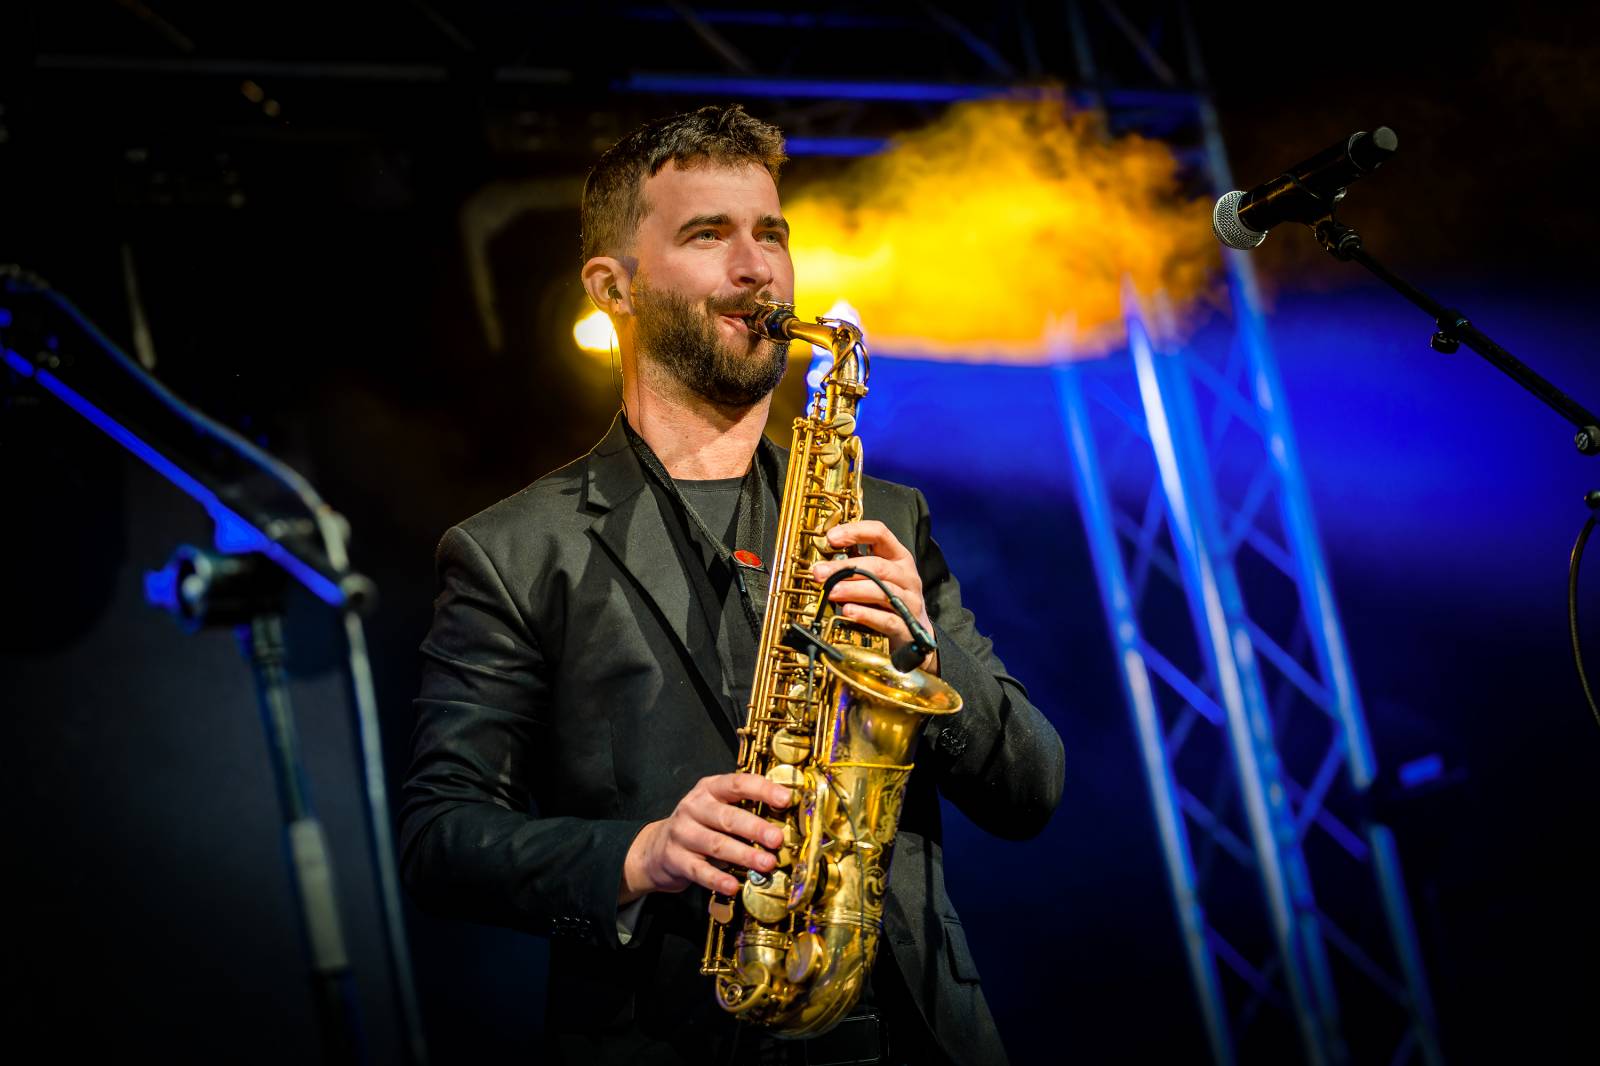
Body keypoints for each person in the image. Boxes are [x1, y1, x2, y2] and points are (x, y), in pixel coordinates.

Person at [398, 104, 1064, 1066]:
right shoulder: (512, 550)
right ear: (613, 287)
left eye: (772, 234)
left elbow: (1031, 791)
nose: (758, 269)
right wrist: (641, 854)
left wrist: (925, 653)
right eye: (709, 234)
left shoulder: (886, 515)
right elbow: (440, 839)